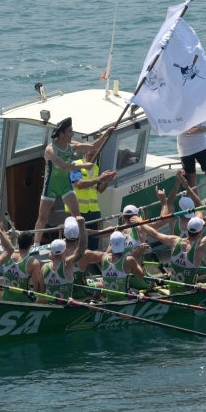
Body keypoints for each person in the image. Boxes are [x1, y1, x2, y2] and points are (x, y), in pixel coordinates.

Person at [136, 202, 206, 293]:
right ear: (200, 232)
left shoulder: (175, 241)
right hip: (189, 292)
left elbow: (154, 234)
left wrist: (140, 221)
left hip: (173, 289)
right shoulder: (199, 248)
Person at [33, 117, 95, 247]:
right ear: (61, 134)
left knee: (77, 215)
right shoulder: (51, 150)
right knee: (42, 218)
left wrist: (107, 135)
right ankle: (36, 245)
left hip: (65, 186)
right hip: (50, 186)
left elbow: (93, 146)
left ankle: (80, 242)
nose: (72, 134)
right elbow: (63, 166)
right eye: (70, 131)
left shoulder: (71, 145)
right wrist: (83, 166)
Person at [65, 134, 117, 251]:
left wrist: (106, 181)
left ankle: (91, 260)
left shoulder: (96, 168)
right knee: (78, 240)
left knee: (94, 239)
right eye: (90, 152)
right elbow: (79, 184)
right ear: (84, 152)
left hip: (93, 210)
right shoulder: (75, 165)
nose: (92, 154)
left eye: (94, 152)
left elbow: (99, 190)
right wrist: (99, 179)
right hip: (78, 210)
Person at [41, 216, 87, 303]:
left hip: (50, 307)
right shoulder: (67, 265)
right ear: (65, 250)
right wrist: (81, 225)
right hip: (66, 308)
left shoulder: (44, 268)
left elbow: (41, 291)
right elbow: (81, 249)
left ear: (51, 252)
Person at [98, 231, 151, 301]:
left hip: (110, 300)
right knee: (141, 293)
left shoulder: (103, 258)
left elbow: (108, 252)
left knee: (98, 285)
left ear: (110, 244)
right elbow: (141, 276)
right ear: (124, 243)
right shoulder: (129, 260)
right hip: (126, 299)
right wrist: (139, 253)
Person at [0, 231, 44, 302]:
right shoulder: (33, 263)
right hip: (23, 301)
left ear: (18, 241)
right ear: (31, 244)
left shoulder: (7, 254)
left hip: (5, 299)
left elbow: (4, 242)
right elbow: (37, 288)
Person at [177, 121, 206, 204]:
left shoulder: (200, 110)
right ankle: (198, 204)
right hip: (185, 149)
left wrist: (197, 130)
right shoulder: (178, 111)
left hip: (202, 147)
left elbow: (204, 128)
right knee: (191, 177)